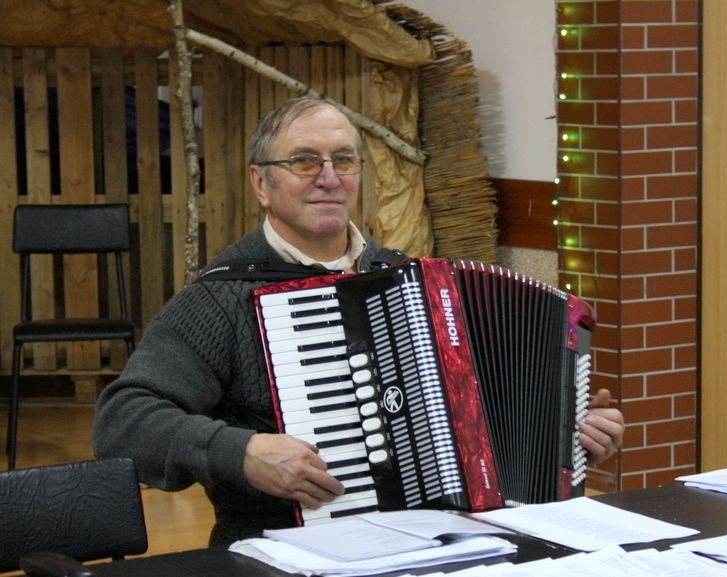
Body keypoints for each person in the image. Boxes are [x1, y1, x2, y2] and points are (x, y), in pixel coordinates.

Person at [93, 96, 624, 546]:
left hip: (440, 543)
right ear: (261, 183)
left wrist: (567, 432)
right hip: (286, 550)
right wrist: (242, 451)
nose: (328, 177)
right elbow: (122, 423)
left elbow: (498, 423)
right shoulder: (221, 298)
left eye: (343, 160)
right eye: (304, 161)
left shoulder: (413, 280)